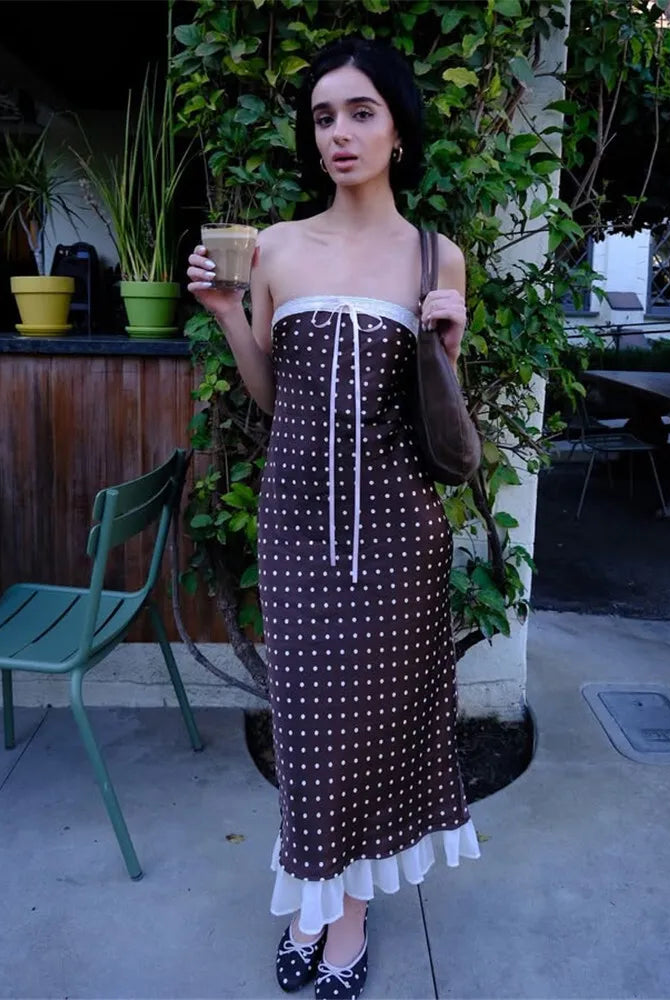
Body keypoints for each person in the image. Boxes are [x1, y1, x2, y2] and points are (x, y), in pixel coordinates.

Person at [187, 36, 480, 1000]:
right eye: (323, 117)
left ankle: (340, 921)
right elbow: (278, 399)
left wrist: (448, 344)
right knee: (313, 724)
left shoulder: (437, 255)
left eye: (361, 112)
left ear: (398, 127)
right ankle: (323, 903)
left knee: (370, 729)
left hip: (398, 531)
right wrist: (233, 317)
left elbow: (438, 417)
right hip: (300, 524)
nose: (340, 133)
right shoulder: (272, 245)